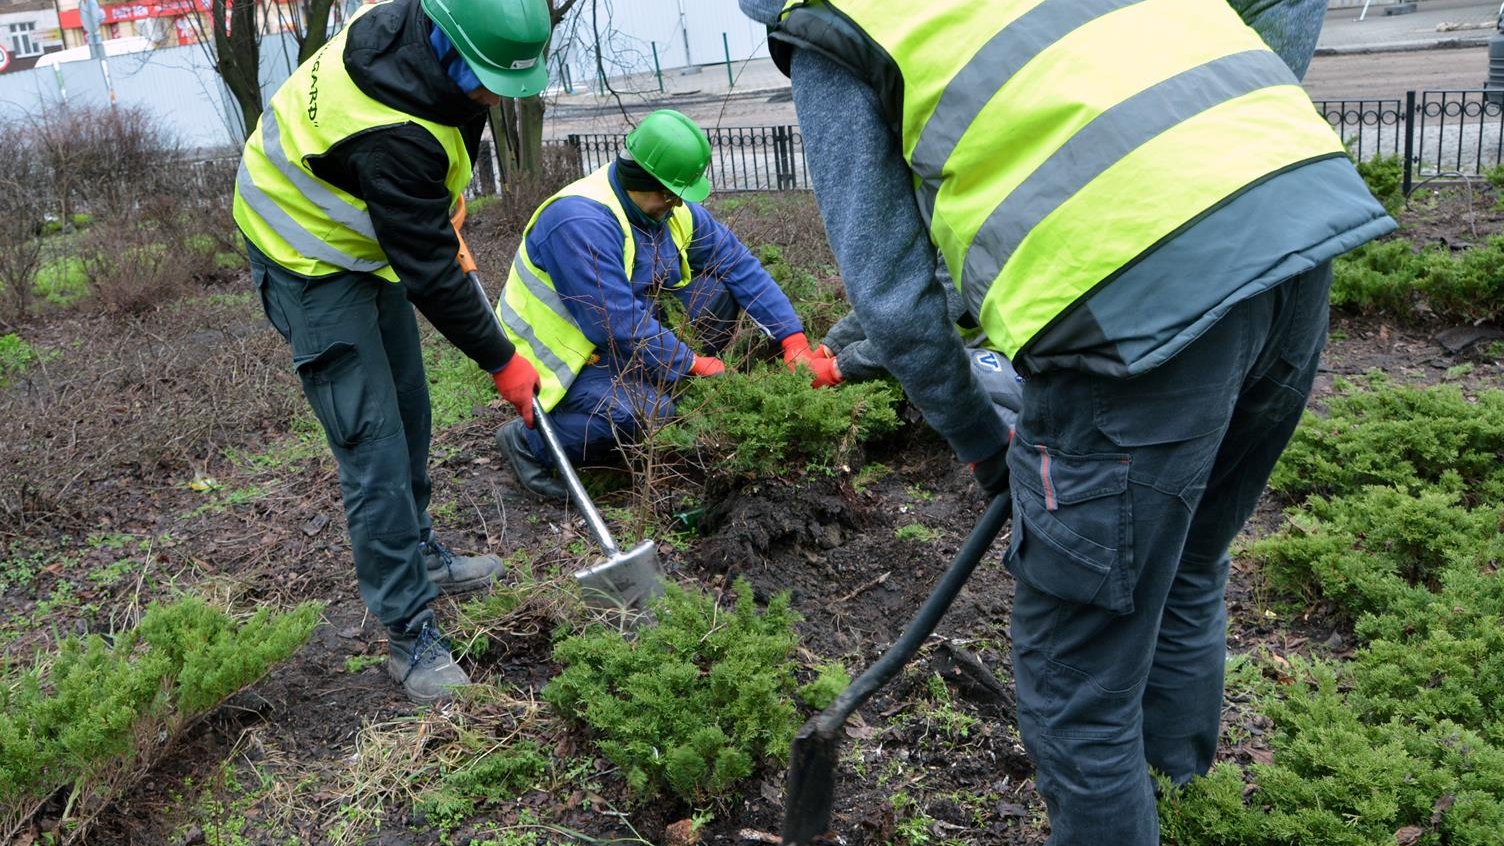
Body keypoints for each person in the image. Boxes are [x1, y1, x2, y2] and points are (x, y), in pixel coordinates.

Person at [739, 0, 1396, 843]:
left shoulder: (829, 25)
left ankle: (1141, 809)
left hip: (1136, 295)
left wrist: (984, 447)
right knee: (1190, 563)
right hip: (1292, 228)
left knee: (1074, 688)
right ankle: (1177, 802)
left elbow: (899, 310)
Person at [232, 0, 552, 703]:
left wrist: (434, 211)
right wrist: (503, 360)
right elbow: (433, 275)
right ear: (452, 47)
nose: (500, 98)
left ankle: (424, 555)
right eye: (492, 80)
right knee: (371, 442)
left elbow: (426, 218)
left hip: (363, 232)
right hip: (303, 251)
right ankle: (410, 637)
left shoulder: (426, 25)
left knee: (409, 405)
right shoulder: (390, 138)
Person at [492, 109, 835, 499]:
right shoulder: (579, 221)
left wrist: (792, 339)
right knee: (645, 413)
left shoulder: (668, 209)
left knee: (717, 292)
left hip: (619, 343)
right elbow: (616, 323)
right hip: (563, 362)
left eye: (678, 195)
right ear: (641, 178)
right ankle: (529, 442)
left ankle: (673, 386)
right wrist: (691, 363)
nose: (674, 204)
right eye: (669, 194)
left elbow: (738, 264)